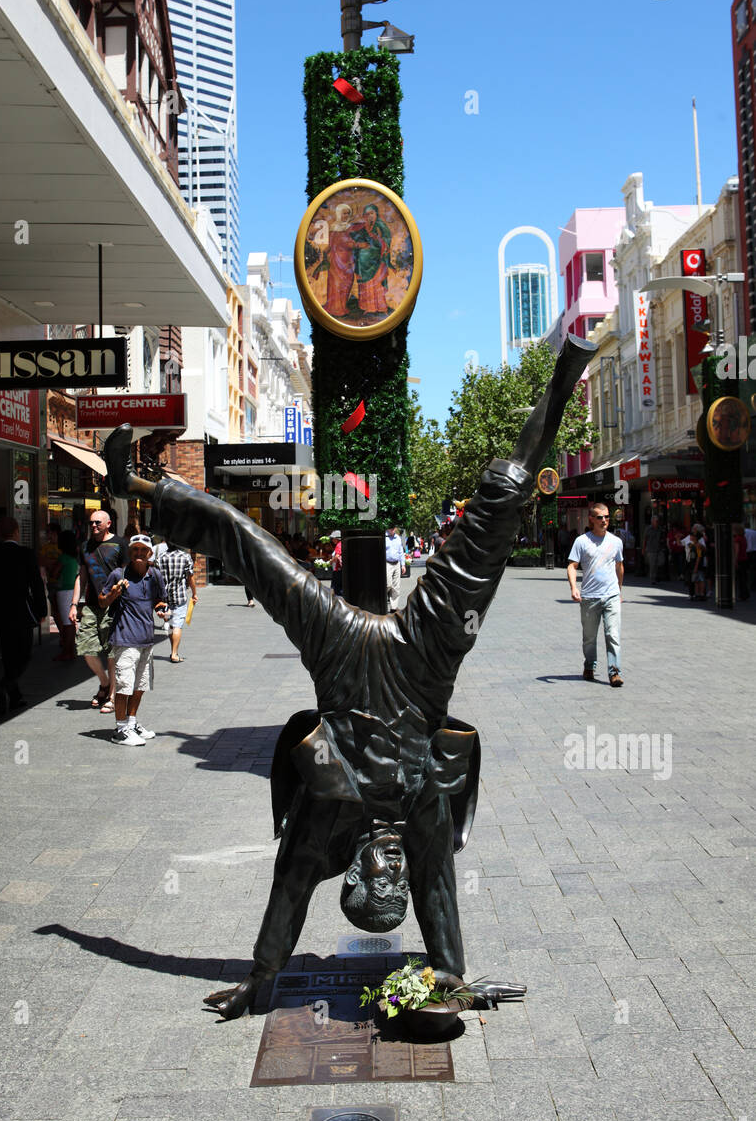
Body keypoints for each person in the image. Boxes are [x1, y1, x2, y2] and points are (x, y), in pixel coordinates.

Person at [101, 332, 596, 1017]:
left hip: (342, 652)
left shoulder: (325, 819)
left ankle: (138, 483)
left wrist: (263, 979)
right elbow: (441, 893)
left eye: (378, 873)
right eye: (399, 876)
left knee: (255, 552)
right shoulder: (421, 811)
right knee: (499, 503)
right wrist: (452, 978)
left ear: (355, 867)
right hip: (423, 662)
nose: (393, 865)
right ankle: (568, 365)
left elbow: (289, 888)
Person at [100, 534, 167, 746]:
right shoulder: (118, 574)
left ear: (150, 554)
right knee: (124, 687)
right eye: (135, 550)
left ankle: (131, 722)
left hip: (147, 640)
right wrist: (113, 594)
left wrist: (161, 609)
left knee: (140, 686)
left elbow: (159, 600)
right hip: (125, 639)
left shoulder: (155, 575)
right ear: (130, 553)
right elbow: (102, 602)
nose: (139, 554)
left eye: (143, 551)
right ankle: (120, 730)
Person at [0, 516, 47, 716]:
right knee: (24, 653)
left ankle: (14, 695)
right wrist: (42, 610)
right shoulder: (26, 554)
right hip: (22, 610)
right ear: (17, 532)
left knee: (8, 654)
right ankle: (5, 685)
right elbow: (36, 584)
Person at [70, 511, 126, 714]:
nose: (93, 525)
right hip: (92, 605)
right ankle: (104, 682)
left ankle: (111, 696)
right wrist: (74, 604)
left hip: (115, 605)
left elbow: (127, 574)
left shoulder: (120, 544)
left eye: (97, 522)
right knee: (85, 648)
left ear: (108, 523)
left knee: (111, 652)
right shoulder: (85, 547)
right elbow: (81, 577)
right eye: (91, 523)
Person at [567, 502, 624, 687]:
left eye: (607, 517)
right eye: (600, 517)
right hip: (590, 597)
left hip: (611, 595)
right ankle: (589, 665)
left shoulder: (616, 542)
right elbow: (572, 566)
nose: (604, 520)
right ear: (591, 519)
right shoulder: (581, 541)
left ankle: (614, 671)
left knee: (612, 634)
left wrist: (619, 590)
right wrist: (573, 587)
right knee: (589, 637)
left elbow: (619, 567)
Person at [156, 541, 196, 662]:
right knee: (177, 625)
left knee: (169, 623)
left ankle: (173, 650)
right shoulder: (185, 557)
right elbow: (190, 577)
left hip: (165, 598)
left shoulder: (160, 558)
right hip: (180, 596)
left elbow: (157, 579)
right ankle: (174, 653)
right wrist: (194, 593)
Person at [52, 530, 79, 662]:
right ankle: (71, 650)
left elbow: (54, 573)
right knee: (71, 623)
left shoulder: (63, 558)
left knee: (67, 623)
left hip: (64, 591)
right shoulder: (74, 557)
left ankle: (66, 651)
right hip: (72, 590)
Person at [384, 522, 406, 611]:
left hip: (396, 563)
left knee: (396, 586)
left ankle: (393, 607)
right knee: (388, 584)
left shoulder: (398, 538)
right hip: (387, 563)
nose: (392, 529)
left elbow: (401, 551)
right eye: (391, 528)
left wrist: (403, 564)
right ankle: (381, 601)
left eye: (394, 528)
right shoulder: (384, 537)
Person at [641, 516, 663, 582]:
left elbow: (662, 538)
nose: (657, 522)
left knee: (660, 562)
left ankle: (656, 575)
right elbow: (645, 539)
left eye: (658, 521)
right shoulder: (648, 529)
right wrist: (643, 549)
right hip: (650, 549)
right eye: (656, 521)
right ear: (652, 522)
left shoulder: (660, 529)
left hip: (659, 548)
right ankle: (652, 578)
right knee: (652, 564)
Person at [330, 529, 343, 597]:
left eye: (333, 538)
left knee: (337, 589)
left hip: (338, 570)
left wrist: (331, 561)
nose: (332, 540)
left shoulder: (339, 545)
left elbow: (337, 556)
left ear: (337, 539)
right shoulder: (340, 544)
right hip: (338, 570)